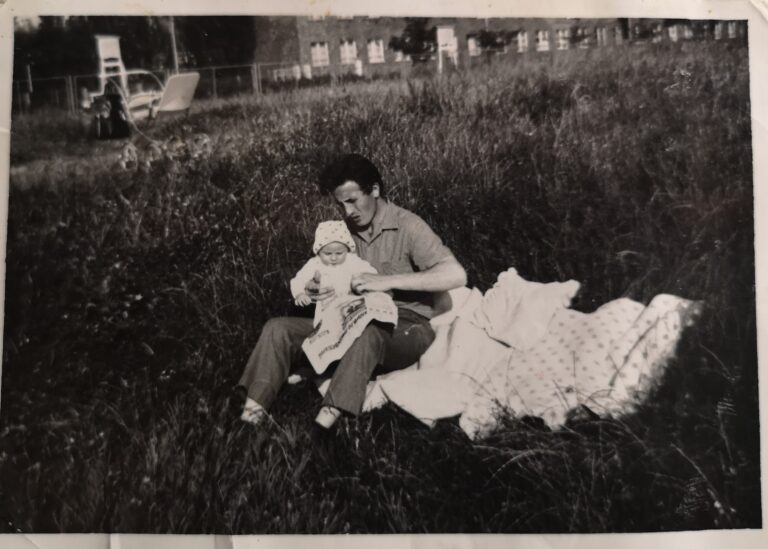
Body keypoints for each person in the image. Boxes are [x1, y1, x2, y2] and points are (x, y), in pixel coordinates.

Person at [237, 153, 467, 429]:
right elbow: (321, 270)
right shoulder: (343, 233)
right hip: (346, 320)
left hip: (406, 327)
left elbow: (456, 274)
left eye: (353, 201)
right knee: (278, 328)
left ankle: (329, 421)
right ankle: (251, 414)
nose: (348, 212)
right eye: (340, 205)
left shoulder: (409, 225)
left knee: (368, 332)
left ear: (375, 190)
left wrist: (387, 281)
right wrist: (315, 289)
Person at [290, 220, 378, 326]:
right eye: (327, 253)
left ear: (347, 249)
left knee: (355, 323)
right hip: (326, 308)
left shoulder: (352, 260)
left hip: (350, 304)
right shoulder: (315, 263)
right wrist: (299, 294)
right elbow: (298, 280)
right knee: (328, 327)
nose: (333, 258)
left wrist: (367, 284)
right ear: (319, 251)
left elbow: (371, 274)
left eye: (339, 253)